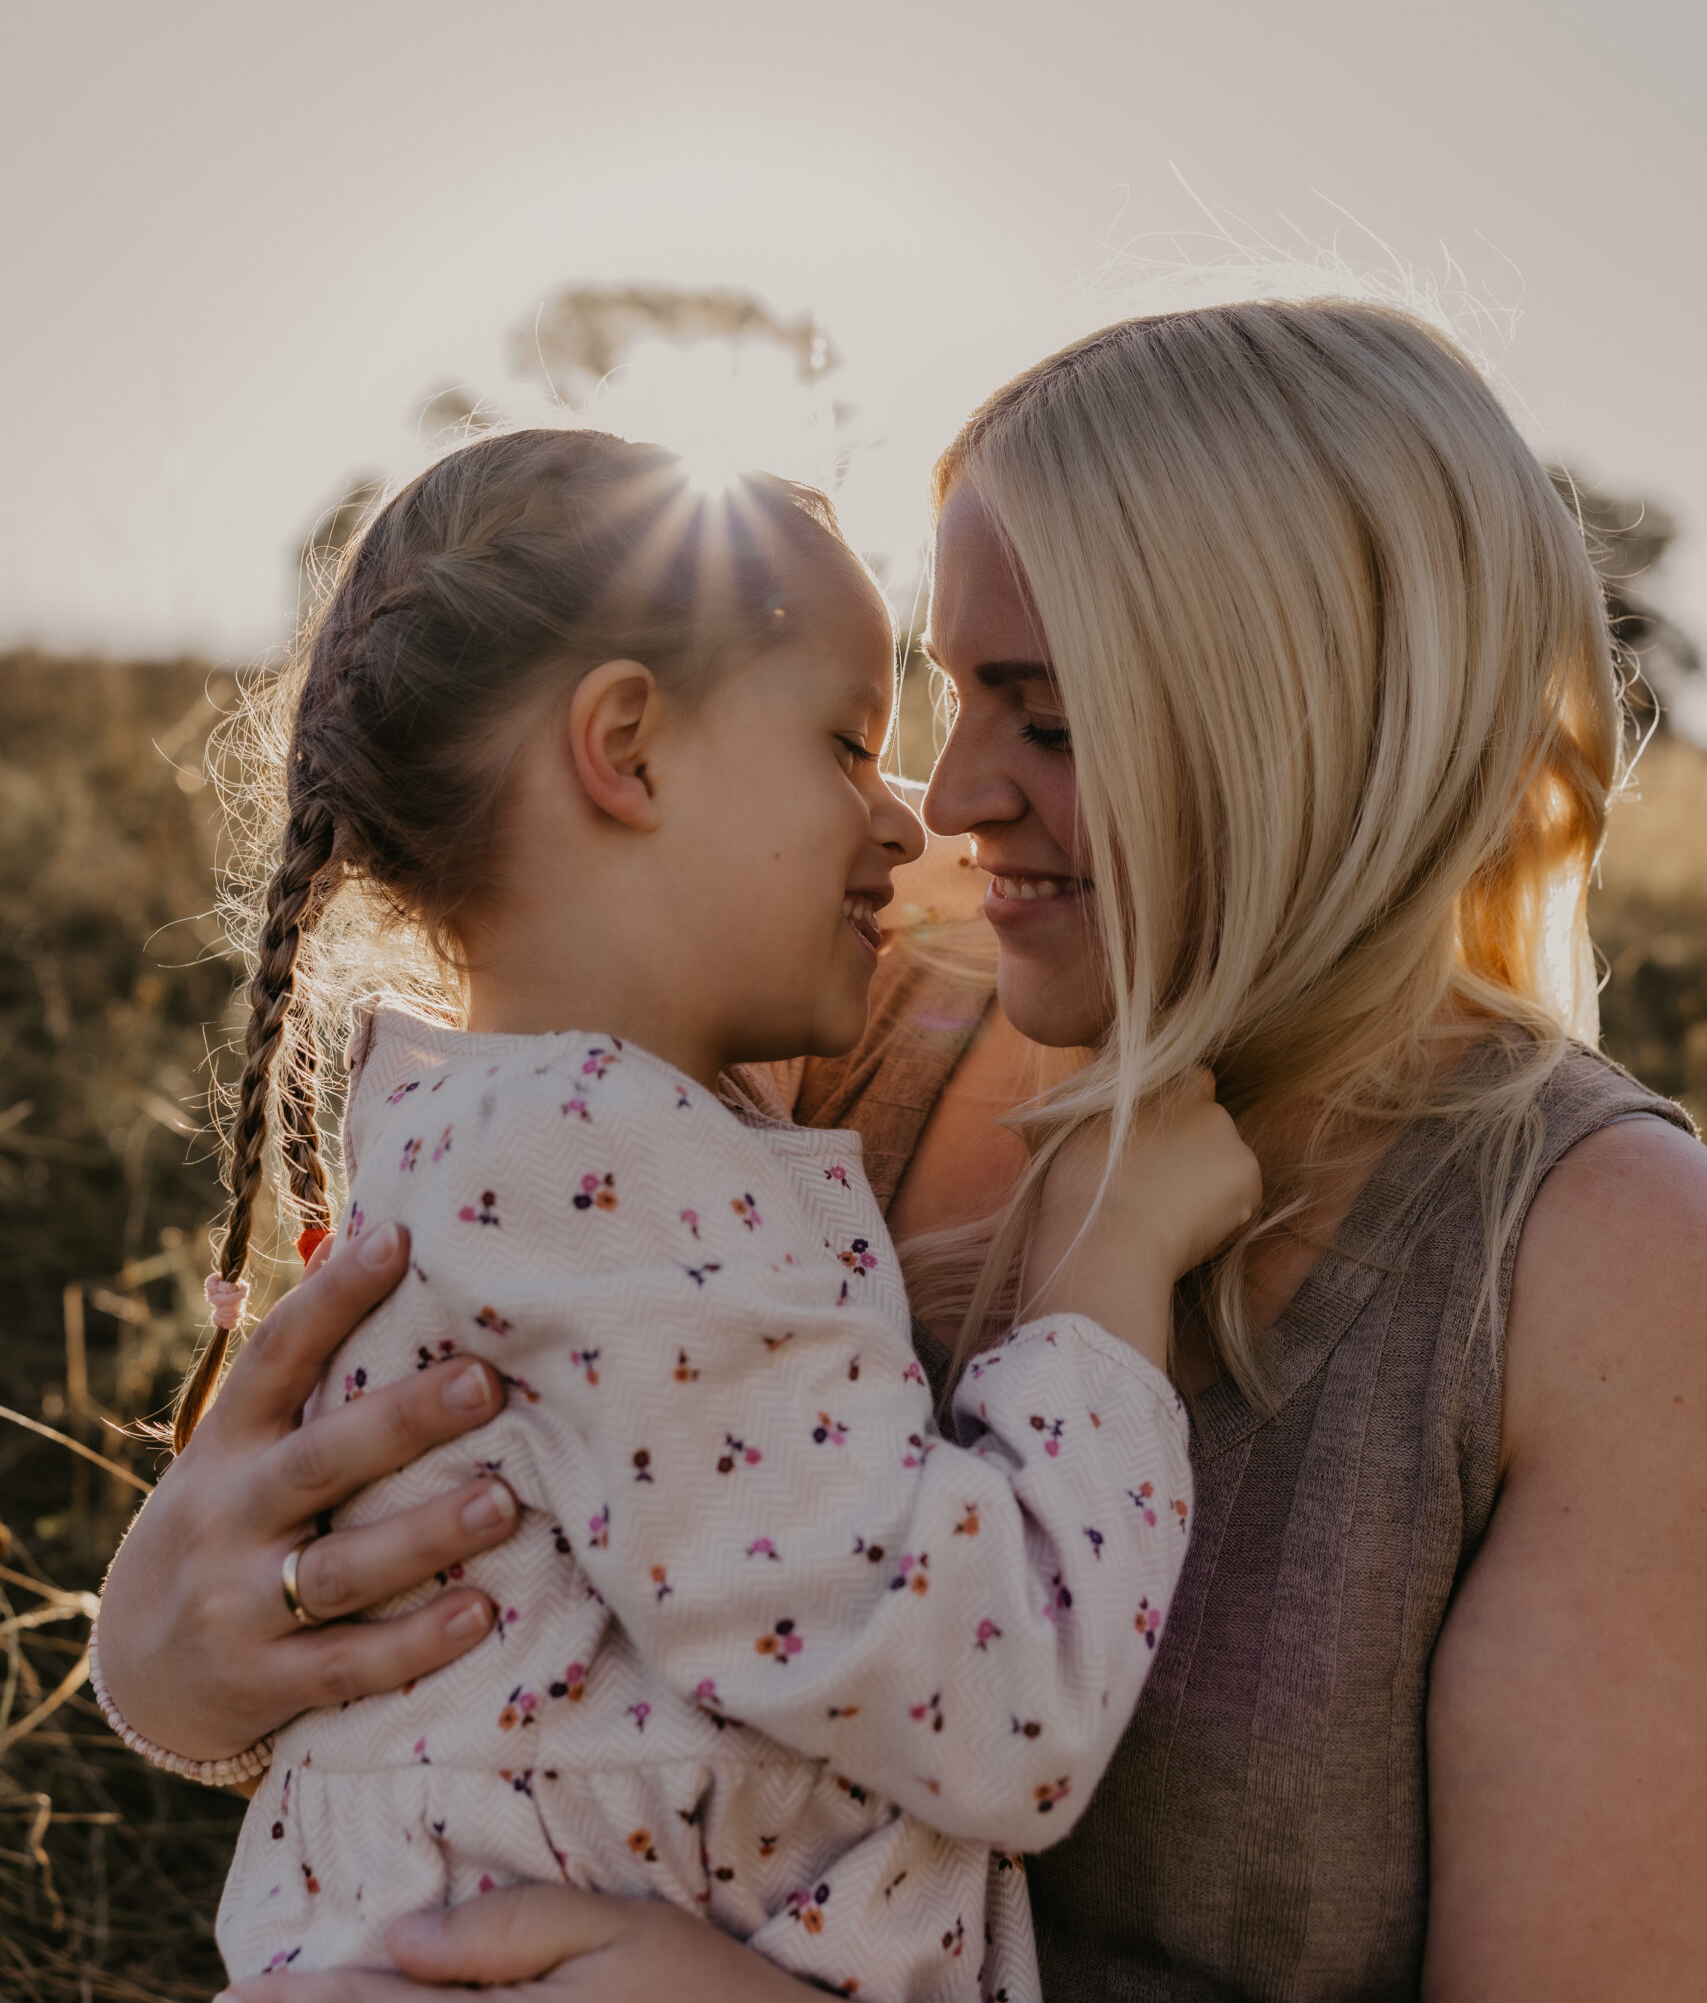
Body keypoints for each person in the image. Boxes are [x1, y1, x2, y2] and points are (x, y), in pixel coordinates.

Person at [96, 295, 1707, 2000]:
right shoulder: (833, 1013)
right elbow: (507, 1637)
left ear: (1315, 727)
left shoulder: (1607, 1262)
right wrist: (176, 1663)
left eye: (1052, 722)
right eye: (934, 706)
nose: (945, 807)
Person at [138, 426, 1255, 1996]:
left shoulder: (550, 1129)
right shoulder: (601, 1162)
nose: (919, 822)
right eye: (853, 750)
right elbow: (995, 1705)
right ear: (630, 751)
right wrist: (1112, 1265)